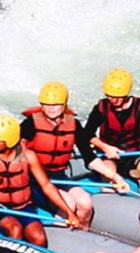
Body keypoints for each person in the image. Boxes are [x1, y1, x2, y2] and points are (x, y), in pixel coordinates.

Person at [0, 114, 82, 247]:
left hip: (23, 206)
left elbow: (46, 185)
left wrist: (69, 213)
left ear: (10, 141)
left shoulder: (28, 156)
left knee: (39, 237)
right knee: (15, 229)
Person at [20, 81, 95, 227]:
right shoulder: (30, 124)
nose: (50, 109)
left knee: (85, 203)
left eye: (55, 105)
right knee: (68, 203)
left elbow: (89, 156)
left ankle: (83, 234)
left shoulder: (74, 125)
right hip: (35, 179)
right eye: (46, 104)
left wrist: (114, 177)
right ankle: (62, 232)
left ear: (64, 104)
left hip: (59, 176)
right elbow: (14, 151)